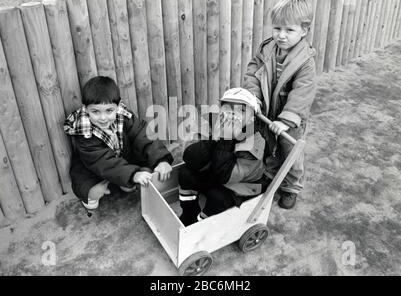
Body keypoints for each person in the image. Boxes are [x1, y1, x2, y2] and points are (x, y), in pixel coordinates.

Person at [243, 0, 317, 209]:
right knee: (267, 145)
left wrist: (287, 119)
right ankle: (271, 174)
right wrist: (254, 97)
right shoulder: (267, 49)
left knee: (290, 152)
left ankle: (291, 186)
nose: (281, 35)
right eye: (277, 29)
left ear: (304, 31)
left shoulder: (305, 62)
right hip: (267, 109)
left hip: (290, 119)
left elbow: (303, 92)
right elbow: (252, 72)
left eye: (289, 30)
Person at [64, 76, 173, 210]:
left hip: (122, 157)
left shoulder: (125, 116)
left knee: (144, 167)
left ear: (118, 106)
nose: (103, 118)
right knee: (91, 192)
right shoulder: (84, 132)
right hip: (94, 168)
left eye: (109, 110)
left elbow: (143, 135)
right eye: (95, 111)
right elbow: (102, 161)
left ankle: (126, 179)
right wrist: (133, 174)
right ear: (86, 109)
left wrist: (161, 160)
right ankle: (118, 181)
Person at [178, 87, 267, 226]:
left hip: (240, 186)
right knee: (185, 173)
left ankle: (201, 225)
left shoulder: (254, 141)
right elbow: (190, 158)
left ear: (251, 120)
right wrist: (214, 139)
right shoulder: (213, 124)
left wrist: (226, 140)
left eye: (242, 110)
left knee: (217, 197)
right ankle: (189, 214)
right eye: (228, 107)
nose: (232, 113)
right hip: (218, 172)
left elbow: (225, 176)